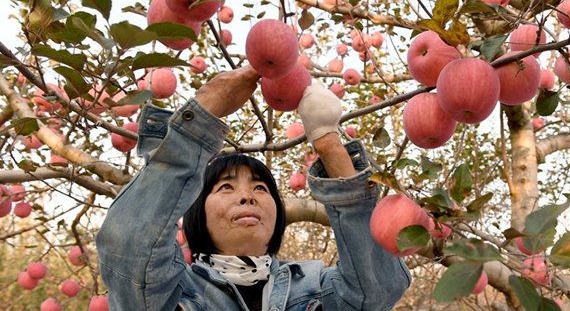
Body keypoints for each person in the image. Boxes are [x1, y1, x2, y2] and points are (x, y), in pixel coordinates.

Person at [96, 64, 411, 310]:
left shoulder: (314, 288)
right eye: (225, 188)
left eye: (261, 188)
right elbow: (128, 247)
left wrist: (329, 143)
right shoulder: (172, 291)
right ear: (196, 212)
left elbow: (376, 290)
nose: (247, 196)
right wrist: (202, 114)